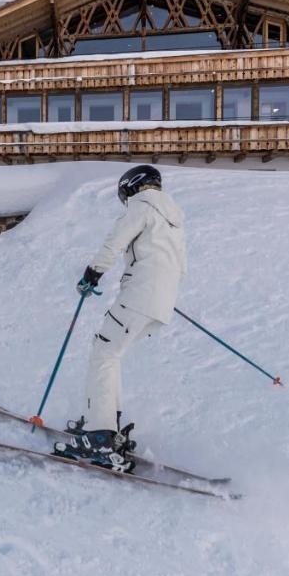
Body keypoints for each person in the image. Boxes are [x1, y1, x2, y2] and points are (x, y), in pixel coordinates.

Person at [54, 164, 187, 472]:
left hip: (141, 295)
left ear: (132, 187)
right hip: (159, 301)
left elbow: (114, 242)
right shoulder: (174, 217)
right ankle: (106, 428)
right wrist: (160, 292)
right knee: (110, 354)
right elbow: (176, 265)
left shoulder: (142, 206)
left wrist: (92, 275)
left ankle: (99, 436)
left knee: (103, 353)